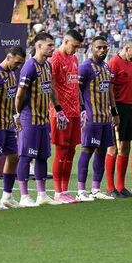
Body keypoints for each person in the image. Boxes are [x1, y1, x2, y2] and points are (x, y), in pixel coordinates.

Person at [14, 31, 64, 206]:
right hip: (29, 119)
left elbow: (50, 89)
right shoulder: (29, 67)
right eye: (49, 45)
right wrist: (16, 114)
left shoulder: (47, 66)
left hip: (43, 120)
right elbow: (19, 95)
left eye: (53, 44)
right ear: (38, 46)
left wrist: (58, 109)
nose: (53, 48)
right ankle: (24, 195)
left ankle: (42, 194)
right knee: (26, 157)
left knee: (43, 157)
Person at [0, 45, 27, 209]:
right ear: (9, 57)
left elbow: (10, 99)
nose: (18, 66)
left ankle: (7, 196)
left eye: (20, 64)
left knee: (14, 156)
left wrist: (16, 116)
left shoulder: (11, 74)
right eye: (17, 62)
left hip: (8, 124)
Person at [76, 36, 118, 201]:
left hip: (105, 117)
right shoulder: (85, 67)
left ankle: (96, 189)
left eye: (105, 47)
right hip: (91, 117)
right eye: (99, 47)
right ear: (91, 48)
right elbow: (77, 90)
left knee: (102, 151)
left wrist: (114, 112)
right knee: (87, 150)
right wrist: (82, 110)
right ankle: (81, 191)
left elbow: (109, 92)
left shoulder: (106, 67)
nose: (102, 50)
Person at [105, 37, 132, 197]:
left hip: (129, 108)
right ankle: (110, 187)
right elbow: (109, 90)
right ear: (126, 48)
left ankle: (121, 186)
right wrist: (114, 111)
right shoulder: (114, 63)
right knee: (114, 148)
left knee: (126, 146)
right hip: (117, 108)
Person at [49, 30, 84, 203]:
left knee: (71, 151)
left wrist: (82, 108)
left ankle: (65, 190)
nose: (75, 50)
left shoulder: (74, 59)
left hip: (75, 111)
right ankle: (57, 192)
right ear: (65, 41)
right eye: (74, 46)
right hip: (61, 113)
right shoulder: (54, 59)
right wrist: (58, 110)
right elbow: (52, 86)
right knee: (61, 151)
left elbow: (75, 85)